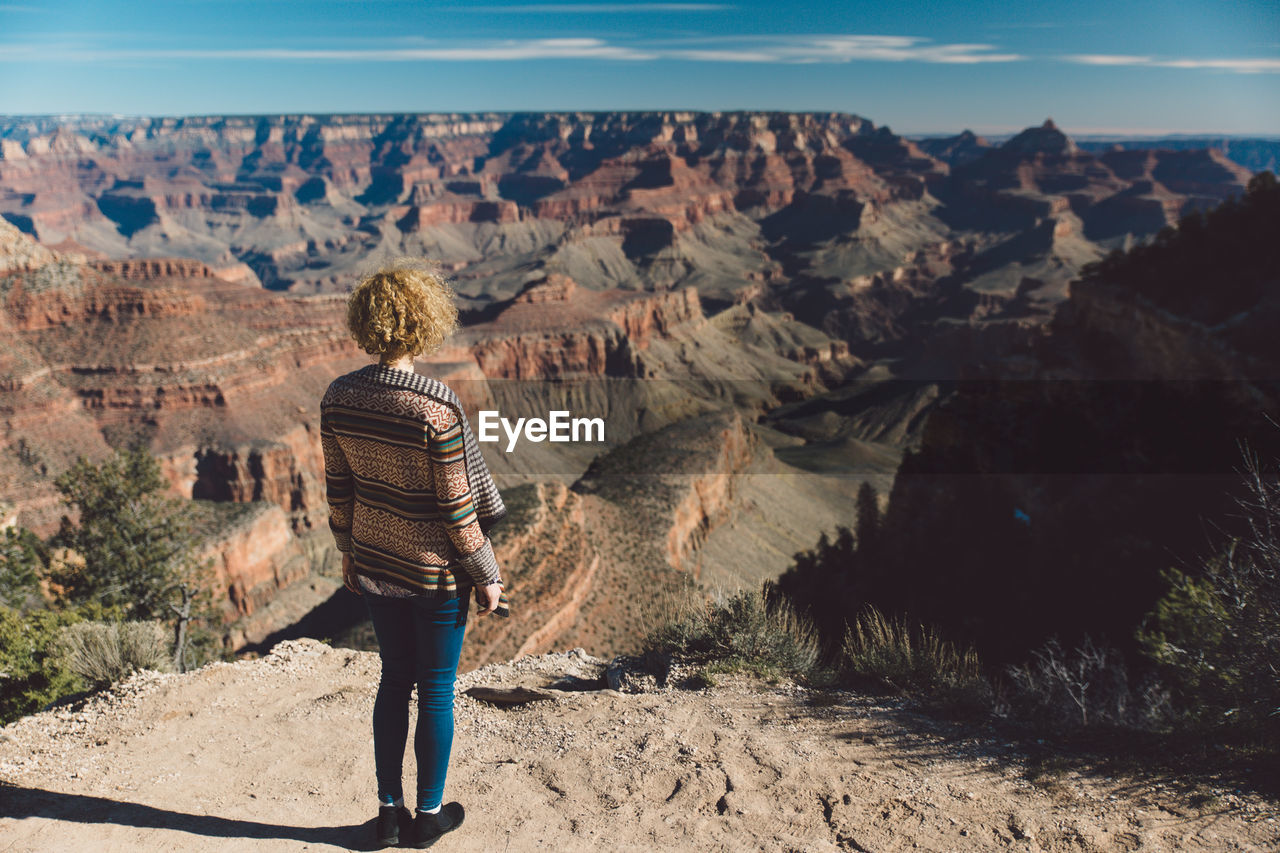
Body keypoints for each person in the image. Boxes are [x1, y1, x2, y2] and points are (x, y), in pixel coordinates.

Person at [320, 258, 510, 849]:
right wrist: (487, 575)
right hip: (431, 575)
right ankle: (427, 817)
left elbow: (339, 488)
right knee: (435, 688)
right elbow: (458, 510)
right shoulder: (435, 406)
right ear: (427, 321)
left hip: (375, 564)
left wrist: (348, 552)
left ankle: (386, 813)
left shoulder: (339, 396)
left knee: (392, 680)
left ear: (365, 323)